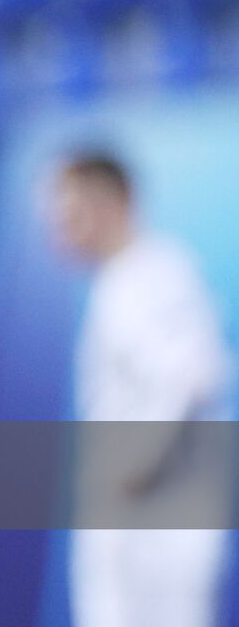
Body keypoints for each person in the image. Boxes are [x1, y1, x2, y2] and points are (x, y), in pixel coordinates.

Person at [52, 152, 233, 627]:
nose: (60, 233)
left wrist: (134, 469)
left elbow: (196, 374)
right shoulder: (125, 278)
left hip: (152, 521)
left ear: (110, 204)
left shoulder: (147, 277)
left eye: (71, 216)